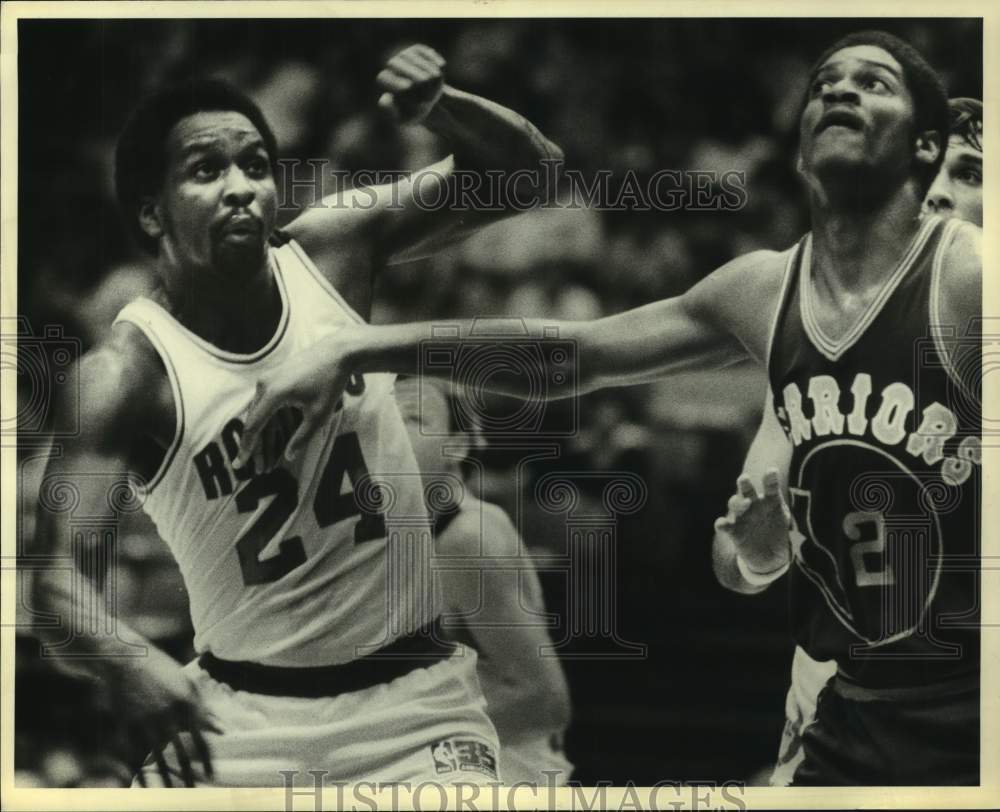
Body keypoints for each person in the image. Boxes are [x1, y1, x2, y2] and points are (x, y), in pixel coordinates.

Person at [238, 31, 981, 786]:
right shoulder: (762, 290)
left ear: (925, 149)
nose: (840, 90)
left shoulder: (967, 276)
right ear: (798, 148)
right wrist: (360, 348)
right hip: (853, 702)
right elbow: (574, 355)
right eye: (825, 80)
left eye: (874, 82)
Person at [29, 43, 562, 787]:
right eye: (206, 171)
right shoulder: (123, 376)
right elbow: (54, 584)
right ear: (152, 214)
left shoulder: (333, 253)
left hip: (413, 710)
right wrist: (124, 658)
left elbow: (530, 172)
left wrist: (443, 109)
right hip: (240, 719)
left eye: (255, 164)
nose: (242, 186)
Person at [711, 95, 983, 787]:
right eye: (925, 176)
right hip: (848, 689)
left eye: (974, 172)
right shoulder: (821, 346)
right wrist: (758, 553)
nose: (943, 193)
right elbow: (734, 563)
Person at [394, 376, 574, 786]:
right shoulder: (405, 530)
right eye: (387, 418)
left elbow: (546, 701)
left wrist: (399, 740)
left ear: (456, 445)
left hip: (502, 770)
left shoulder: (467, 537)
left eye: (414, 418)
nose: (394, 431)